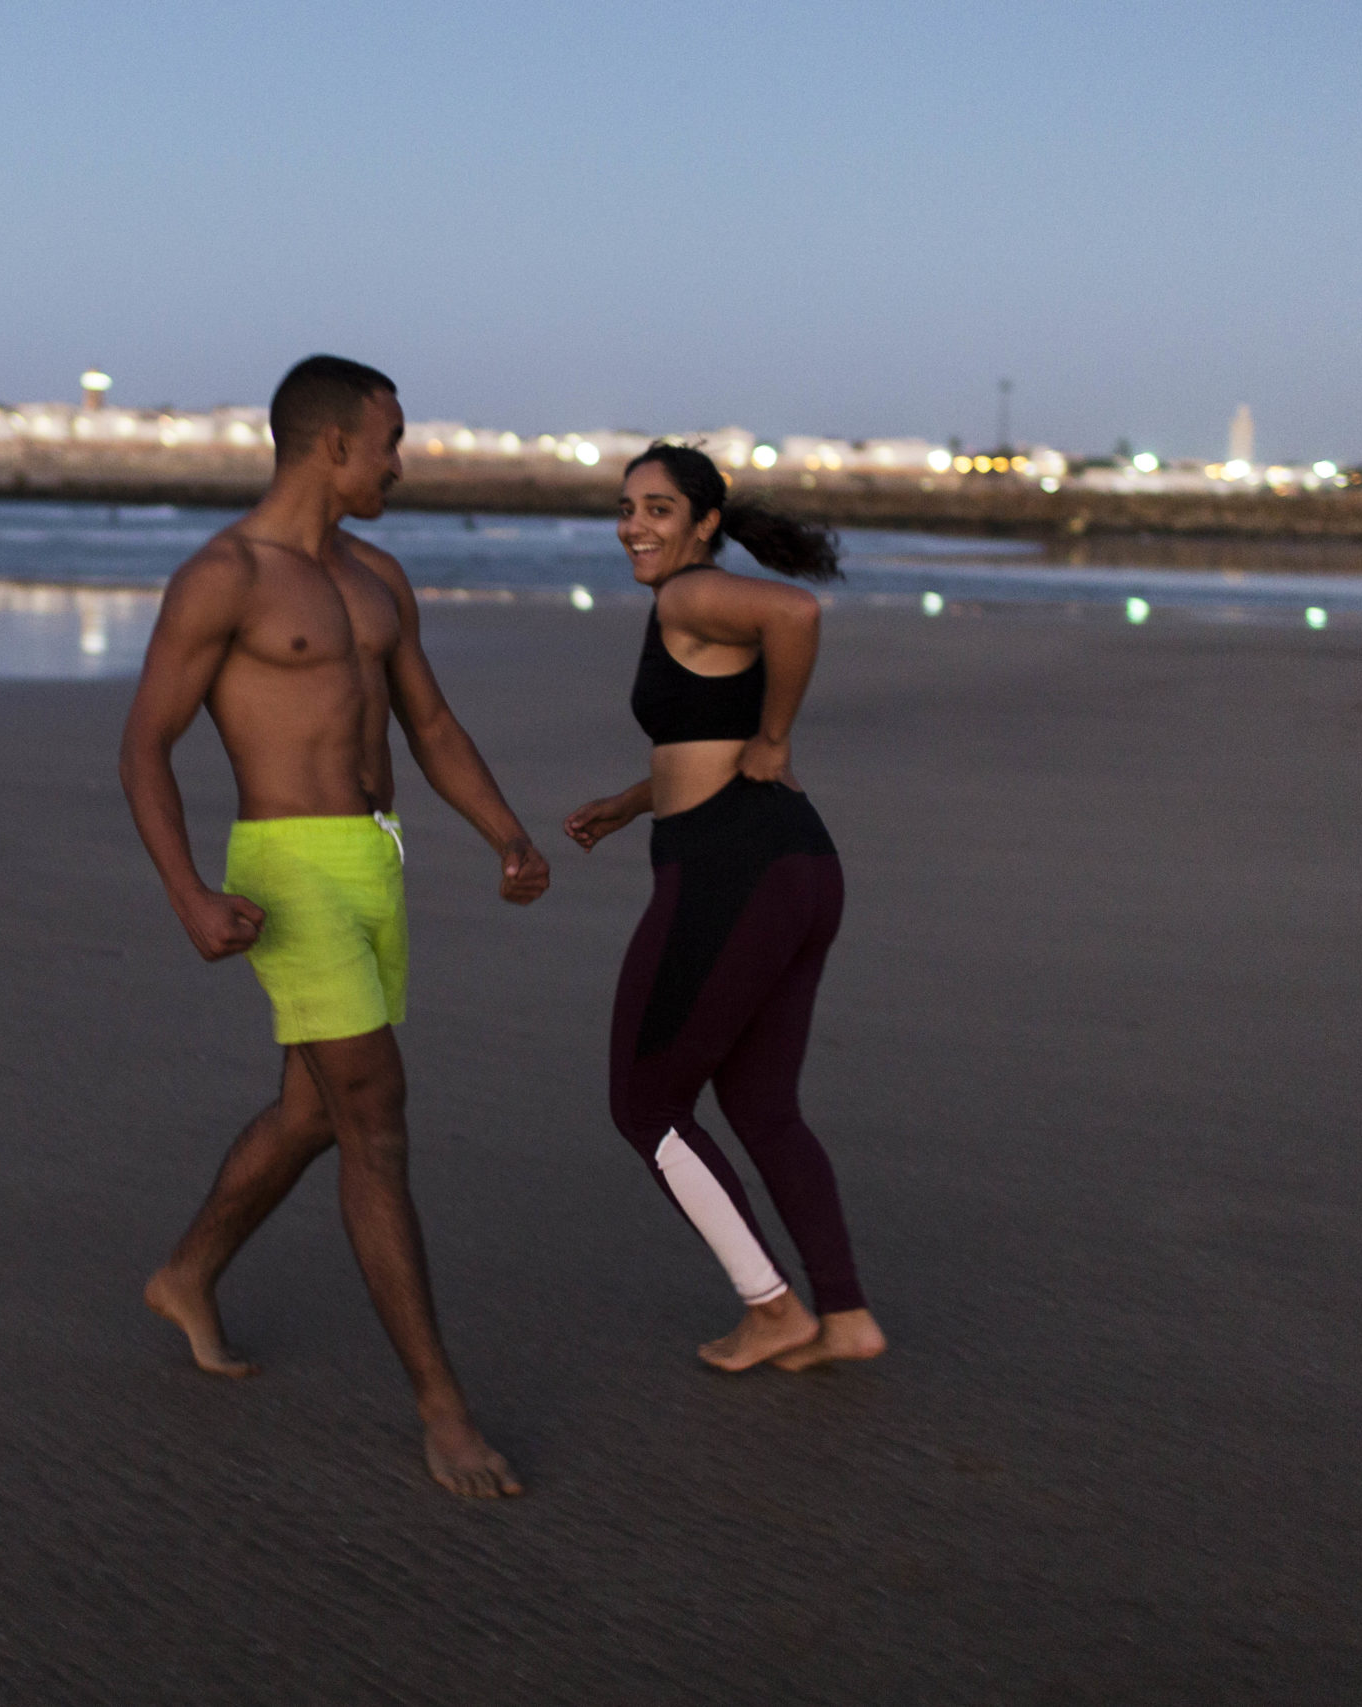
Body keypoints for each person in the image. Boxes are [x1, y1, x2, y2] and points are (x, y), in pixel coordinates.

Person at [119, 355, 550, 1498]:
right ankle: (443, 1411)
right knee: (375, 1119)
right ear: (330, 446)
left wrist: (505, 832)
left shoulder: (377, 579)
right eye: (390, 441)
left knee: (314, 1107)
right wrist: (187, 895)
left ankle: (189, 1271)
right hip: (287, 868)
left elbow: (433, 722)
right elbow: (143, 746)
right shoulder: (223, 577)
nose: (401, 464)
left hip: (373, 861)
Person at [562, 443, 887, 1375]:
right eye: (627, 508)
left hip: (733, 869)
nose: (634, 525)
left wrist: (778, 737)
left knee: (646, 1100)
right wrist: (629, 805)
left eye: (658, 509)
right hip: (794, 863)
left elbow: (798, 609)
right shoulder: (689, 604)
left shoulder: (690, 595)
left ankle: (774, 1308)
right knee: (759, 1102)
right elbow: (705, 735)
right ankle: (847, 1314)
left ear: (704, 522)